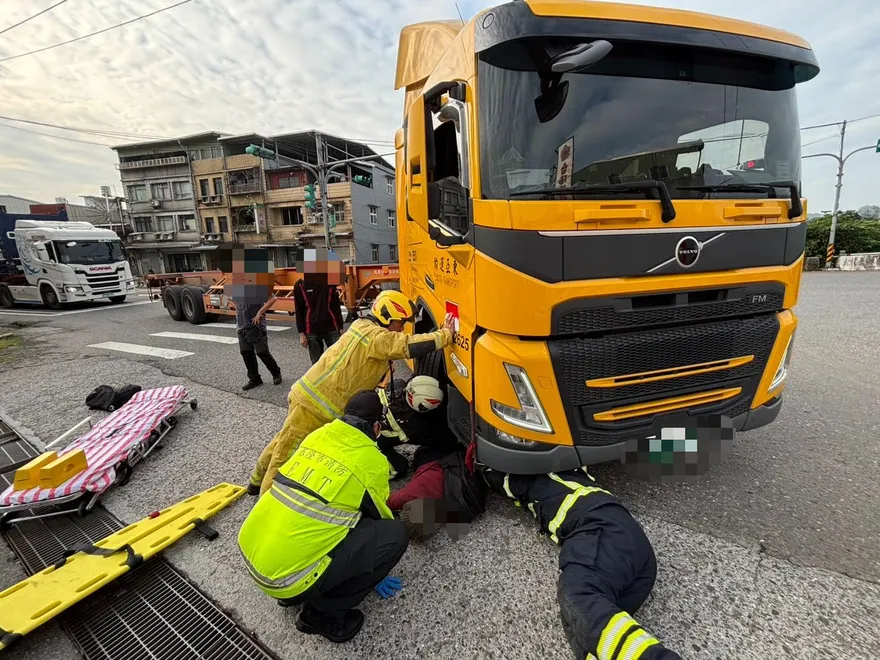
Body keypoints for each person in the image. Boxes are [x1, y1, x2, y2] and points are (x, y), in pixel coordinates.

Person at [238, 391, 408, 644]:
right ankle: (321, 614)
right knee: (395, 535)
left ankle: (292, 593)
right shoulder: (371, 460)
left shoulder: (317, 436)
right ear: (376, 428)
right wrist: (374, 571)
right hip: (287, 579)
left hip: (253, 552)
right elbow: (380, 517)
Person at [248, 290, 455, 496]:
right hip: (314, 405)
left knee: (282, 441)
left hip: (311, 398)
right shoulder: (377, 338)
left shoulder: (361, 326)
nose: (402, 328)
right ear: (386, 317)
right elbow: (407, 346)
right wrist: (445, 334)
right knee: (285, 453)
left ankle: (255, 483)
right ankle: (267, 500)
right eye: (400, 322)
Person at [482, 467, 683, 660]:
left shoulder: (536, 470)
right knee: (579, 623)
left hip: (604, 527)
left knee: (577, 595)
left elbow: (498, 476)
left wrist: (479, 468)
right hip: (628, 554)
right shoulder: (569, 470)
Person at [254, 248, 346, 365]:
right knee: (317, 364)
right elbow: (299, 310)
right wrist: (301, 334)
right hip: (311, 330)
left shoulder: (329, 283)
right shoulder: (300, 286)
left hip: (331, 328)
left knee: (338, 361)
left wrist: (340, 327)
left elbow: (336, 306)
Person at [376, 375, 460, 478]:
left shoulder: (396, 385)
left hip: (361, 422)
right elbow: (436, 440)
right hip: (373, 445)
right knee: (399, 468)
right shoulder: (414, 426)